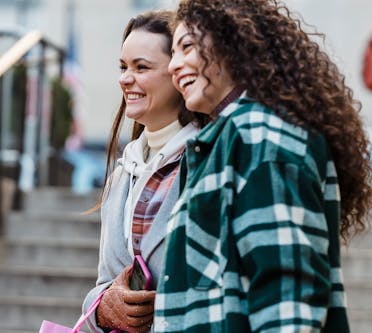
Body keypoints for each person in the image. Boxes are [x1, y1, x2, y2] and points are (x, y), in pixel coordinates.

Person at [154, 0, 372, 332]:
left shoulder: (262, 134)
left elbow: (287, 300)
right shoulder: (224, 140)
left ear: (232, 42)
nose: (174, 65)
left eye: (187, 46)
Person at [82, 10, 206, 333]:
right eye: (123, 67)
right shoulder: (121, 175)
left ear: (178, 73)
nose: (125, 78)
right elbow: (105, 283)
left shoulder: (207, 161)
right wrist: (102, 308)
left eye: (141, 67)